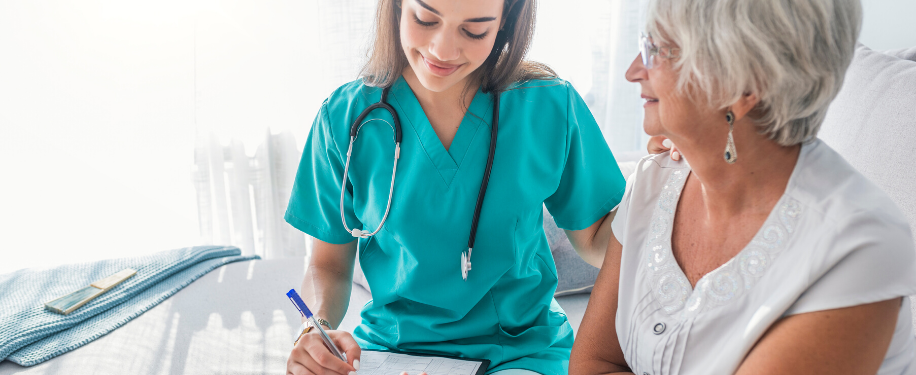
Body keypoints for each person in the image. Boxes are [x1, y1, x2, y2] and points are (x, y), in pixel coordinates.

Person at [569, 0, 916, 374]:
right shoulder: (656, 179)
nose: (633, 71)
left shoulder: (858, 249)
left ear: (744, 83)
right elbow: (594, 362)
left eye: (656, 50)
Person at [284, 0, 627, 374]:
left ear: (506, 22)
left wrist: (681, 180)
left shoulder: (547, 107)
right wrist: (314, 329)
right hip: (392, 352)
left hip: (518, 352)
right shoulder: (343, 119)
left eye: (474, 29)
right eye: (425, 19)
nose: (442, 50)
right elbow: (329, 265)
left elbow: (597, 240)